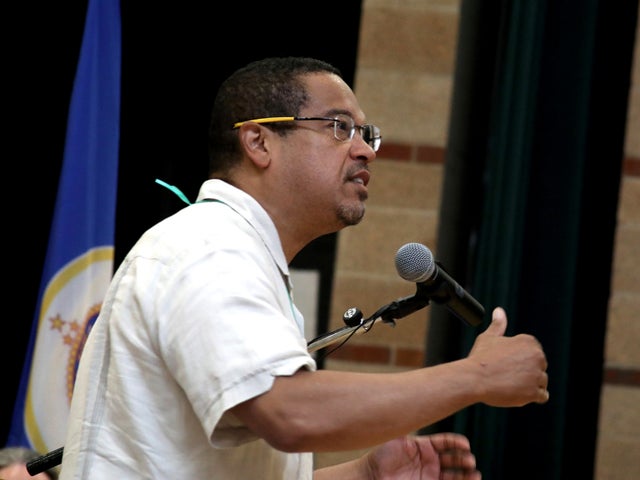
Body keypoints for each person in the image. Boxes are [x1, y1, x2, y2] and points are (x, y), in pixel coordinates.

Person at [59, 56, 549, 479]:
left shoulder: (243, 257)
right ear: (259, 142)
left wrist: (365, 472)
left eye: (366, 134)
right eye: (339, 127)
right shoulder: (208, 247)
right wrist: (476, 376)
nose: (364, 149)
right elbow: (288, 412)